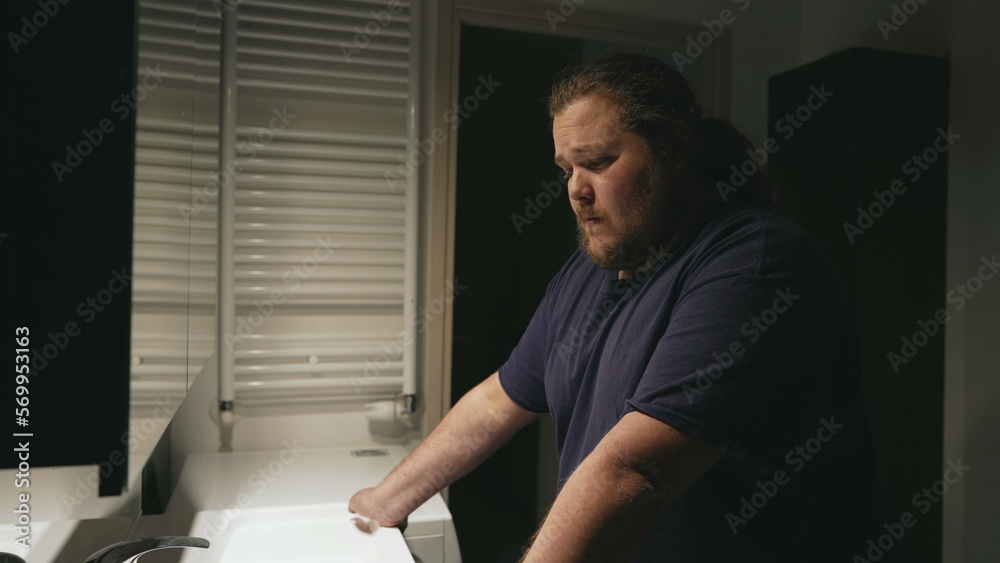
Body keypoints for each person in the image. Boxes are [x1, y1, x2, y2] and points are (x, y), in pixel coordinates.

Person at [350, 53, 895, 562]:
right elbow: (499, 399)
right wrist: (386, 499)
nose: (575, 190)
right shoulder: (590, 271)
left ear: (675, 149)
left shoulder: (755, 264)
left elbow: (632, 474)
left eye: (596, 162)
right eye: (566, 169)